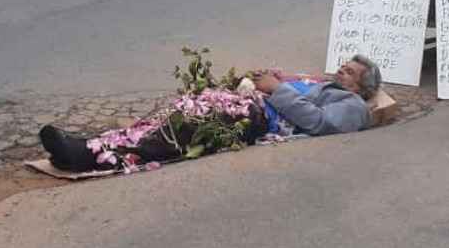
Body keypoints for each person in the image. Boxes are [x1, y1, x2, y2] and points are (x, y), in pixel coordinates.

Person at [39, 55, 382, 172]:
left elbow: (321, 125)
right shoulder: (327, 86)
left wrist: (275, 90)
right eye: (343, 65)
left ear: (360, 88)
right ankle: (89, 145)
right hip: (253, 105)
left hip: (259, 119)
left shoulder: (352, 106)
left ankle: (85, 157)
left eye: (349, 72)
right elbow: (297, 91)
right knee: (172, 117)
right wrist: (280, 79)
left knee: (183, 132)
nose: (341, 70)